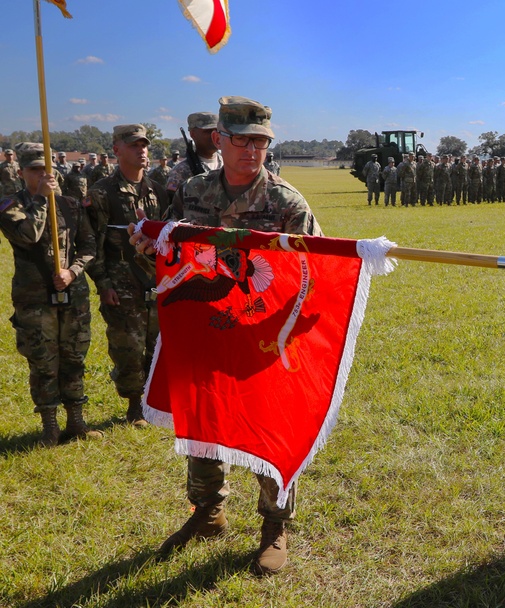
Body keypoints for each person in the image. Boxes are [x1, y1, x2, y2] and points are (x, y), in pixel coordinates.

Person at [141, 96, 323, 576]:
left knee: (268, 427)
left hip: (261, 338)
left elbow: (312, 273)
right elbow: (167, 246)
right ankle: (207, 512)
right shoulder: (194, 191)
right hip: (207, 333)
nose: (250, 150)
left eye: (260, 141)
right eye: (240, 139)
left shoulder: (287, 203)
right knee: (203, 420)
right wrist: (147, 243)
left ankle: (274, 524)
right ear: (219, 140)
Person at [0, 142, 100, 446]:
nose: (44, 174)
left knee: (74, 357)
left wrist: (72, 272)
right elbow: (28, 235)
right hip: (35, 300)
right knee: (43, 361)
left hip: (73, 296)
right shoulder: (9, 205)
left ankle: (76, 421)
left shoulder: (70, 204)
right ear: (21, 172)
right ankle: (49, 426)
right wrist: (42, 200)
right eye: (35, 170)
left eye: (48, 168)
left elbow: (89, 246)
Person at [85, 124, 169, 427]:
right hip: (122, 285)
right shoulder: (102, 194)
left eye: (144, 144)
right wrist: (104, 284)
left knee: (156, 343)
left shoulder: (157, 191)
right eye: (134, 145)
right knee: (127, 347)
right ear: (116, 149)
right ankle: (134, 406)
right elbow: (91, 244)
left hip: (156, 282)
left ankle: (151, 402)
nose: (142, 150)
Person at [166, 112, 222, 192]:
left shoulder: (229, 164)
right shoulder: (180, 172)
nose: (215, 135)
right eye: (208, 131)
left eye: (217, 131)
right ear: (193, 134)